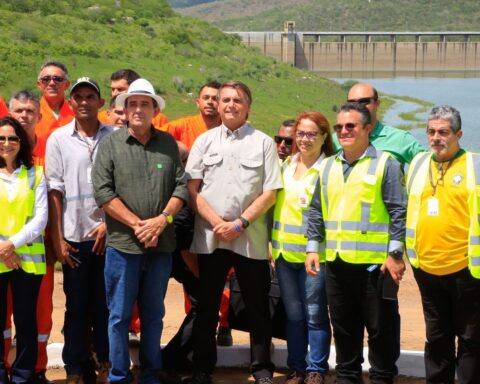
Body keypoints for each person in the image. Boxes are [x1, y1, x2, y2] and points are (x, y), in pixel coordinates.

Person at [184, 80, 282, 384]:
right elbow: (192, 189)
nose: (229, 105)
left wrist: (239, 223)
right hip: (211, 238)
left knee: (257, 306)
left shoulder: (263, 143)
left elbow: (270, 192)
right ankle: (203, 368)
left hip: (249, 238)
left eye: (237, 100)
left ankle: (262, 369)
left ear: (248, 105)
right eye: (225, 99)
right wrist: (217, 223)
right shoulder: (205, 142)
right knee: (208, 304)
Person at [92, 78, 188, 384]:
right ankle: (120, 376)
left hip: (160, 247)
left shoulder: (169, 144)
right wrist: (138, 225)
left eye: (144, 104)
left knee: (153, 316)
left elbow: (182, 186)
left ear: (155, 110)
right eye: (132, 103)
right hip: (123, 246)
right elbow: (103, 192)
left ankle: (150, 374)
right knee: (119, 316)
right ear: (124, 109)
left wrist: (162, 220)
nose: (137, 109)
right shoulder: (110, 145)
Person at [306, 102, 407, 384]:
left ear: (367, 129)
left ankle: (382, 378)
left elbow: (399, 210)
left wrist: (395, 255)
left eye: (351, 126)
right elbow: (316, 209)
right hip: (337, 264)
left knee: (380, 329)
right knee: (344, 329)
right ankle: (347, 377)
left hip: (376, 267)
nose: (344, 131)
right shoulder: (327, 166)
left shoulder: (386, 163)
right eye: (339, 127)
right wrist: (313, 247)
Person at [405, 105, 480, 383]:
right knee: (437, 339)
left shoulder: (475, 165)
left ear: (458, 134)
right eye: (431, 131)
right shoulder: (418, 164)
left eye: (443, 132)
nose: (436, 137)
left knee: (471, 339)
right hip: (427, 269)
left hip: (467, 270)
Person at [46, 77, 112, 384]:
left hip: (108, 237)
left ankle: (105, 366)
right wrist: (58, 237)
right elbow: (55, 190)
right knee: (76, 307)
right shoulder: (58, 140)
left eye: (90, 96)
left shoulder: (115, 137)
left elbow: (123, 184)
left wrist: (110, 224)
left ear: (101, 102)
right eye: (79, 97)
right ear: (71, 103)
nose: (84, 101)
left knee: (106, 306)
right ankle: (74, 369)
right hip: (73, 236)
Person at [271, 112, 334, 384]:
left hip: (314, 256)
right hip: (283, 254)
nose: (304, 139)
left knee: (315, 314)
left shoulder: (329, 169)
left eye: (311, 134)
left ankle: (316, 369)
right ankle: (296, 367)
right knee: (294, 315)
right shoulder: (285, 165)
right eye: (301, 133)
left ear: (323, 137)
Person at [0, 117, 48, 384]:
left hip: (27, 262)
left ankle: (23, 375)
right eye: (1, 138)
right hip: (1, 258)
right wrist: (4, 251)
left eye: (12, 138)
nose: (6, 144)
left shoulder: (36, 174)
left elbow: (40, 220)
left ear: (22, 141)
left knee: (26, 321)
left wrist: (10, 246)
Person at [333, 83, 423, 166]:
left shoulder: (400, 139)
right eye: (352, 103)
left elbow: (429, 164)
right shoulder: (337, 139)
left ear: (377, 103)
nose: (358, 107)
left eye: (364, 102)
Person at [98, 69, 169, 129]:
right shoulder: (101, 117)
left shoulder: (159, 120)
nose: (115, 93)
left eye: (120, 89)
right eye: (113, 89)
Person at [161, 81, 221, 149]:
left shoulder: (229, 129)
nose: (210, 102)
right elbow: (152, 137)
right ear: (198, 103)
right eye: (206, 98)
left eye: (215, 99)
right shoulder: (181, 126)